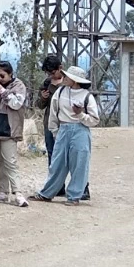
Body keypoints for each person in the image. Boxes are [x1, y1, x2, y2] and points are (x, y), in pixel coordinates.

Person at [36, 65, 101, 206]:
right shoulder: (60, 92)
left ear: (75, 80)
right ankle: (47, 193)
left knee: (79, 163)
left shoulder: (87, 96)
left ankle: (74, 196)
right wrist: (55, 131)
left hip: (81, 130)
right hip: (63, 128)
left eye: (67, 77)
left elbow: (94, 120)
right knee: (57, 163)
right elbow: (53, 114)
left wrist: (80, 115)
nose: (64, 78)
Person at [0, 61, 30, 207]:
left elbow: (16, 104)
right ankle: (3, 191)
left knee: (10, 161)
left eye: (2, 76)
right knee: (0, 161)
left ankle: (18, 193)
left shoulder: (19, 86)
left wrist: (3, 92)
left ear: (10, 74)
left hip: (10, 129)